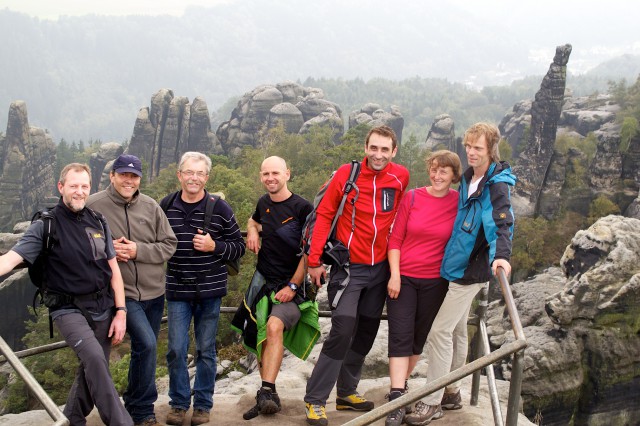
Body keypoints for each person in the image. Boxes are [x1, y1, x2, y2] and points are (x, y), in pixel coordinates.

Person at [0, 163, 133, 425]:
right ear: (61, 187)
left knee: (91, 370)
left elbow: (113, 270)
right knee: (95, 360)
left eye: (84, 186)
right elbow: (9, 260)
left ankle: (72, 418)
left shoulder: (98, 221)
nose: (79, 191)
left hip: (104, 307)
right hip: (68, 309)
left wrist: (120, 311)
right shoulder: (46, 225)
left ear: (90, 188)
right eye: (73, 186)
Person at [404, 123, 516, 426]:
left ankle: (431, 402)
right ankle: (451, 391)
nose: (471, 152)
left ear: (491, 149)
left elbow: (501, 223)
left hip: (471, 271)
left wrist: (502, 257)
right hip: (455, 266)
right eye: (468, 146)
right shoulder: (470, 178)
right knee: (454, 331)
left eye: (478, 148)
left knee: (439, 332)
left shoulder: (495, 184)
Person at [304, 125, 410, 426]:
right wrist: (314, 261)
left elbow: (399, 222)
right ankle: (315, 400)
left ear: (394, 151)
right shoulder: (347, 175)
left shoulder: (399, 176)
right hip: (349, 268)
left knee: (366, 329)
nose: (378, 154)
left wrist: (397, 268)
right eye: (373, 148)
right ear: (366, 148)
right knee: (343, 326)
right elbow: (325, 214)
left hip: (381, 270)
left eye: (384, 150)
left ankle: (346, 392)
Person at [86, 154, 178, 426]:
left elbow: (169, 245)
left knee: (142, 348)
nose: (129, 180)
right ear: (112, 176)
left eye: (134, 176)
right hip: (121, 294)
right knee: (149, 344)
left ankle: (133, 404)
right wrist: (110, 250)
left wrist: (138, 250)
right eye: (123, 175)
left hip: (154, 291)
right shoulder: (93, 205)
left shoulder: (150, 206)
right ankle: (142, 409)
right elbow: (78, 244)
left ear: (140, 179)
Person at [162, 151, 246, 426]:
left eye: (199, 173)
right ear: (180, 175)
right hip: (177, 291)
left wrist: (215, 246)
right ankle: (178, 403)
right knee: (175, 348)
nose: (194, 178)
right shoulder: (166, 206)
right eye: (189, 172)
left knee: (206, 350)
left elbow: (239, 247)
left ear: (206, 177)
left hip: (210, 291)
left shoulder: (220, 208)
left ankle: (203, 405)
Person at [384, 150, 462, 426]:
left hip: (436, 282)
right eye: (433, 169)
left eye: (444, 171)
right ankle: (396, 400)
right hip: (402, 278)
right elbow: (395, 239)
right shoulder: (413, 197)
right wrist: (394, 274)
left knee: (418, 338)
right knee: (400, 336)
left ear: (454, 176)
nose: (437, 175)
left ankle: (400, 389)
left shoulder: (459, 202)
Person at [239, 156, 315, 420]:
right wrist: (251, 229)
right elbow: (254, 220)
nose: (270, 178)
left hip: (292, 288)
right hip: (262, 283)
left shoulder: (303, 207)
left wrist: (293, 285)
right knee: (259, 336)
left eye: (275, 173)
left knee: (273, 326)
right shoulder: (263, 203)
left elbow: (310, 251)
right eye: (265, 174)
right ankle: (268, 395)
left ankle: (266, 391)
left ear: (287, 174)